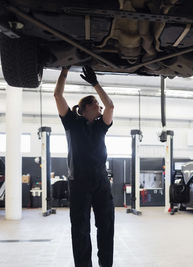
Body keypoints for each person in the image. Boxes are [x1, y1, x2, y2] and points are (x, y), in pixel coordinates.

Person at [54, 65, 115, 267]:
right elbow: (57, 95)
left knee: (106, 226)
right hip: (79, 182)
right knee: (80, 229)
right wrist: (65, 69)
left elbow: (111, 107)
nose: (99, 106)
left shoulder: (101, 126)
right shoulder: (71, 122)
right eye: (95, 103)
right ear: (86, 107)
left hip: (101, 182)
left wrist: (96, 84)